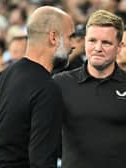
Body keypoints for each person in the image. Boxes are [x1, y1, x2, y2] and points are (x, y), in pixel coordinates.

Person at [0, 6, 75, 168]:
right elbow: (41, 160)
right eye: (70, 37)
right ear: (53, 38)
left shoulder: (6, 74)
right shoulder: (47, 89)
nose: (73, 45)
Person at [54, 10, 126, 168]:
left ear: (119, 47)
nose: (98, 48)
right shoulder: (61, 83)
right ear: (84, 41)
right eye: (92, 41)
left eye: (106, 43)